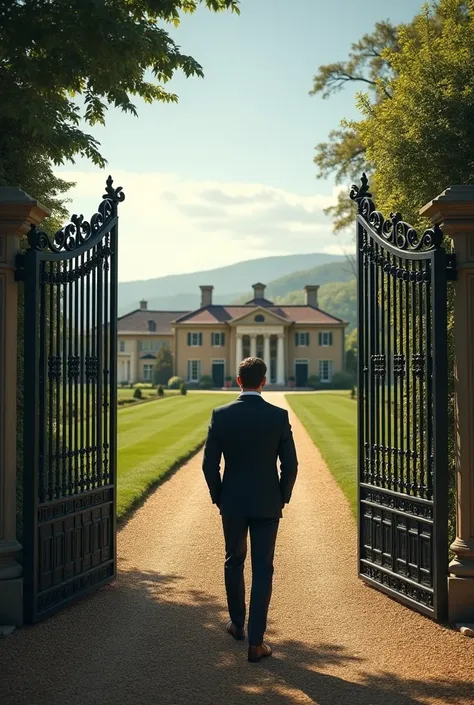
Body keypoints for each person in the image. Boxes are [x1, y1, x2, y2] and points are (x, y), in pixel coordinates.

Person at [202, 357, 298, 663]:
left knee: (234, 560)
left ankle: (237, 626)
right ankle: (256, 643)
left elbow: (209, 465)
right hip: (267, 502)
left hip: (233, 502)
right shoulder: (278, 416)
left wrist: (219, 496)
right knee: (263, 569)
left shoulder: (221, 415)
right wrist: (282, 496)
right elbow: (291, 465)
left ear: (239, 381)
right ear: (264, 381)